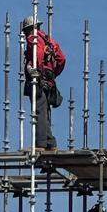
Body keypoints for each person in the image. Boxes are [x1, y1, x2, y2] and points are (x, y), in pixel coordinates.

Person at [22, 16, 66, 151]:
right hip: (49, 79)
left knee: (39, 111)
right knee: (45, 111)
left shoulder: (32, 39)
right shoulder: (50, 41)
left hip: (38, 79)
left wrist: (35, 69)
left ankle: (41, 144)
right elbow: (62, 58)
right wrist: (53, 73)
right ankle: (50, 143)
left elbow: (38, 54)